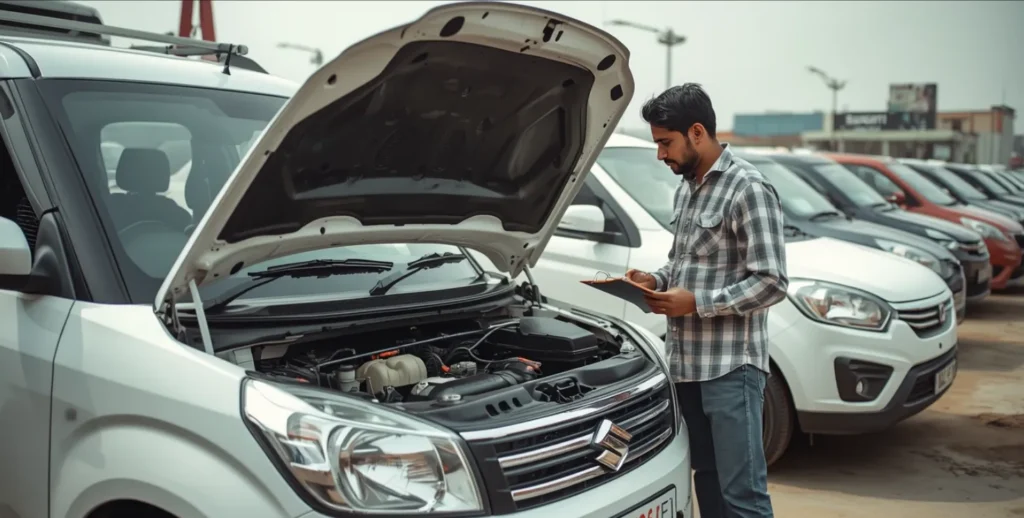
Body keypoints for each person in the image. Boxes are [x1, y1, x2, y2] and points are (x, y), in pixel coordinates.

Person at [625, 84, 788, 518]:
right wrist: (652, 279)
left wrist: (696, 303)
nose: (660, 154)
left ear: (697, 132)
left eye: (665, 142)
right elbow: (683, 265)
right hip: (686, 367)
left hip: (731, 369)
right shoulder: (688, 188)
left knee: (743, 495)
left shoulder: (748, 188)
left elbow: (772, 282)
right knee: (707, 481)